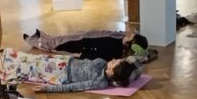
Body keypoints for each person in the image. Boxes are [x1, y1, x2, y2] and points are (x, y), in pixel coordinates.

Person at [0, 48, 140, 93]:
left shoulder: (100, 81)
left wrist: (47, 89)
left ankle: (3, 65)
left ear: (112, 72)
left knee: (30, 67)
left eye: (115, 62)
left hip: (59, 73)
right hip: (64, 61)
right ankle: (6, 55)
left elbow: (75, 86)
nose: (114, 59)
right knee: (33, 58)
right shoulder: (103, 63)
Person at [23, 28, 153, 62]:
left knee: (56, 44)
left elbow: (97, 54)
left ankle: (33, 41)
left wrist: (81, 56)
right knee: (60, 38)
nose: (129, 34)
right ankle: (42, 37)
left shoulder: (115, 50)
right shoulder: (120, 39)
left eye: (130, 36)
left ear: (129, 43)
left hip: (80, 45)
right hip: (85, 37)